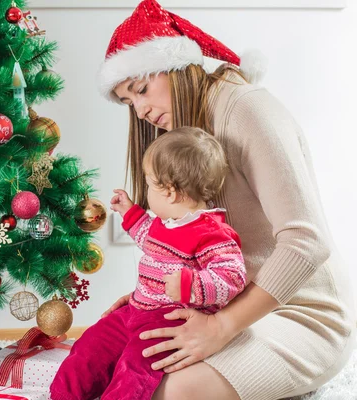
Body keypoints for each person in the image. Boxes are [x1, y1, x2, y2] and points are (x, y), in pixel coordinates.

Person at [67, 1, 355, 399]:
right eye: (129, 103)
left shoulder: (247, 109)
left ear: (176, 66)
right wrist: (149, 299)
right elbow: (187, 245)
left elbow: (307, 243)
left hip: (300, 314)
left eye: (142, 90)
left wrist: (221, 329)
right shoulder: (185, 129)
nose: (142, 110)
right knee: (110, 365)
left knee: (169, 389)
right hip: (220, 304)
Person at [50, 127, 247, 400]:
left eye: (150, 183)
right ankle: (63, 395)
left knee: (135, 368)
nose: (147, 190)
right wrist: (129, 211)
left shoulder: (212, 233)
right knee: (90, 347)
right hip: (134, 311)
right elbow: (147, 235)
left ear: (170, 192)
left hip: (167, 321)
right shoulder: (164, 224)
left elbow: (232, 276)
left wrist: (190, 284)